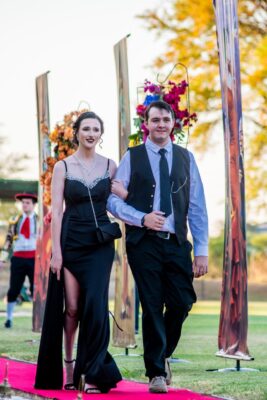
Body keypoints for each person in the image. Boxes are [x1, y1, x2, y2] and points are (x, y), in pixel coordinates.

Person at [108, 100, 208, 393]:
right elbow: (113, 201)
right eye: (155, 120)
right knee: (151, 305)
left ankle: (161, 354)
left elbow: (197, 206)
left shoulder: (186, 158)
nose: (161, 124)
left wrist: (201, 249)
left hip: (177, 242)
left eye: (166, 119)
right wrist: (141, 218)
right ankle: (156, 374)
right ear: (147, 125)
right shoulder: (133, 156)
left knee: (182, 302)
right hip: (144, 244)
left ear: (173, 123)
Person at [35, 111, 122, 394]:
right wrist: (56, 253)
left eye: (96, 129)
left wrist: (127, 195)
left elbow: (119, 200)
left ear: (100, 134)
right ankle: (70, 364)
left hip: (99, 245)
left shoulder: (111, 166)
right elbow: (57, 213)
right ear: (76, 132)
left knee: (96, 307)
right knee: (72, 308)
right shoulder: (63, 167)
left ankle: (95, 373)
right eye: (86, 128)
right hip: (70, 241)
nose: (91, 133)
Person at [0, 192, 38, 328]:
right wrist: (2, 259)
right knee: (14, 288)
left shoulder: (39, 220)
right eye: (23, 203)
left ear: (33, 205)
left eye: (27, 203)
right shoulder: (15, 220)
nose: (24, 205)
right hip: (18, 257)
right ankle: (9, 318)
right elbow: (8, 240)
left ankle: (38, 318)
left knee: (36, 289)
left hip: (34, 258)